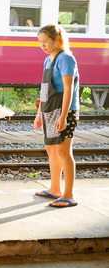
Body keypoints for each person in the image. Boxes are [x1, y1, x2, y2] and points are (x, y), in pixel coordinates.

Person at [34, 24, 80, 208]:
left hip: (63, 111)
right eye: (40, 42)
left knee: (63, 151)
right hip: (49, 109)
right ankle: (55, 189)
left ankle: (68, 195)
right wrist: (39, 114)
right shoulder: (48, 60)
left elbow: (68, 89)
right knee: (51, 149)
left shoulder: (66, 58)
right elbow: (44, 90)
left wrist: (63, 115)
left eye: (45, 41)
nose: (42, 45)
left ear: (57, 40)